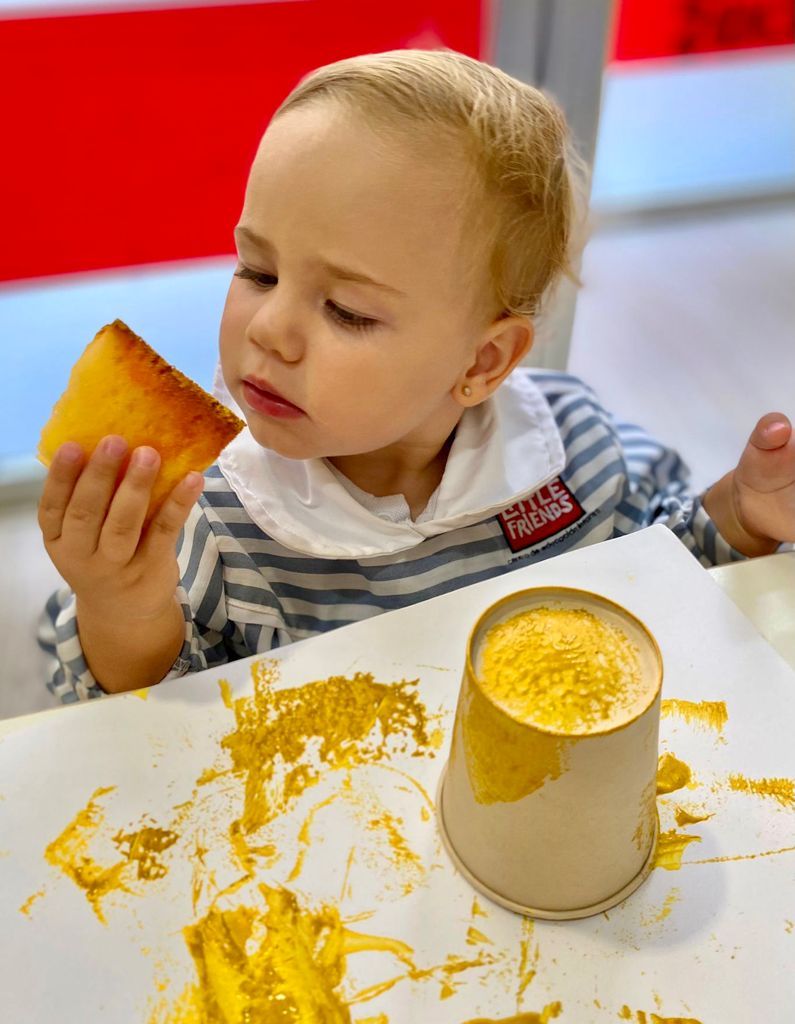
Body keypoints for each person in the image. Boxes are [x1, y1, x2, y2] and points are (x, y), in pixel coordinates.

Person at [37, 50, 795, 704]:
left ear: (482, 362)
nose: (267, 329)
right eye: (257, 271)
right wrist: (124, 608)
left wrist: (741, 514)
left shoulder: (573, 450)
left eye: (346, 311)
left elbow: (664, 577)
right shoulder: (205, 522)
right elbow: (144, 731)